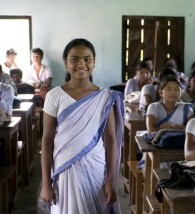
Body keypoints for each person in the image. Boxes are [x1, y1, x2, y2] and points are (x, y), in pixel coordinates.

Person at [40, 38, 124, 214]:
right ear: (66, 63)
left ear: (93, 62)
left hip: (95, 165)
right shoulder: (54, 96)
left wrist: (110, 180)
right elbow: (47, 140)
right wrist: (46, 183)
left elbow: (110, 139)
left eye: (87, 59)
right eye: (75, 59)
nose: (81, 64)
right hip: (63, 167)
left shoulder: (104, 97)